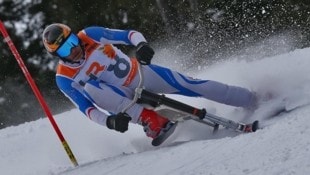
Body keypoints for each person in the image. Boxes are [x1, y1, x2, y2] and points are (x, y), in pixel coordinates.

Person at [42, 23, 257, 140]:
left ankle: (252, 99)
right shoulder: (64, 78)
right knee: (91, 88)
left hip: (142, 74)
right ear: (57, 55)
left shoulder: (90, 35)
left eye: (72, 42)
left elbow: (130, 35)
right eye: (64, 49)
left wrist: (142, 45)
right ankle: (150, 119)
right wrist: (110, 122)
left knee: (194, 85)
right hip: (124, 100)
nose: (73, 49)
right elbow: (87, 109)